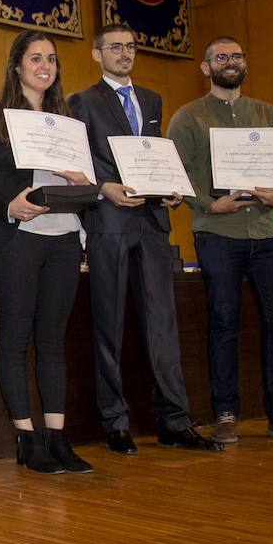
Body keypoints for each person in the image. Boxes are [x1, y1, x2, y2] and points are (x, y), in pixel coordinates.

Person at [168, 36, 273, 446]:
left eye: (237, 56)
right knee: (223, 323)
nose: (230, 62)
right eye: (221, 57)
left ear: (244, 63)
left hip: (269, 234)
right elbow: (174, 173)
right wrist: (209, 204)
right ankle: (226, 414)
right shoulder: (188, 117)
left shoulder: (267, 113)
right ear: (206, 67)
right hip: (217, 235)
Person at [67, 25, 223, 454]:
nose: (125, 53)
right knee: (109, 324)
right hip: (109, 221)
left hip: (153, 221)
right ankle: (115, 423)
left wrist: (174, 189)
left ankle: (175, 420)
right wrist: (104, 187)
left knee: (162, 324)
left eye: (131, 46)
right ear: (97, 55)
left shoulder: (152, 100)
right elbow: (79, 160)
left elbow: (156, 155)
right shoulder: (82, 101)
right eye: (115, 47)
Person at [0, 30, 93, 474]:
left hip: (65, 236)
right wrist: (9, 204)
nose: (45, 66)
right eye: (36, 58)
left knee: (53, 341)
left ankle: (57, 438)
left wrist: (83, 181)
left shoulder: (68, 121)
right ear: (17, 65)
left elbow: (87, 183)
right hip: (19, 236)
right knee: (15, 339)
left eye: (52, 59)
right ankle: (26, 438)